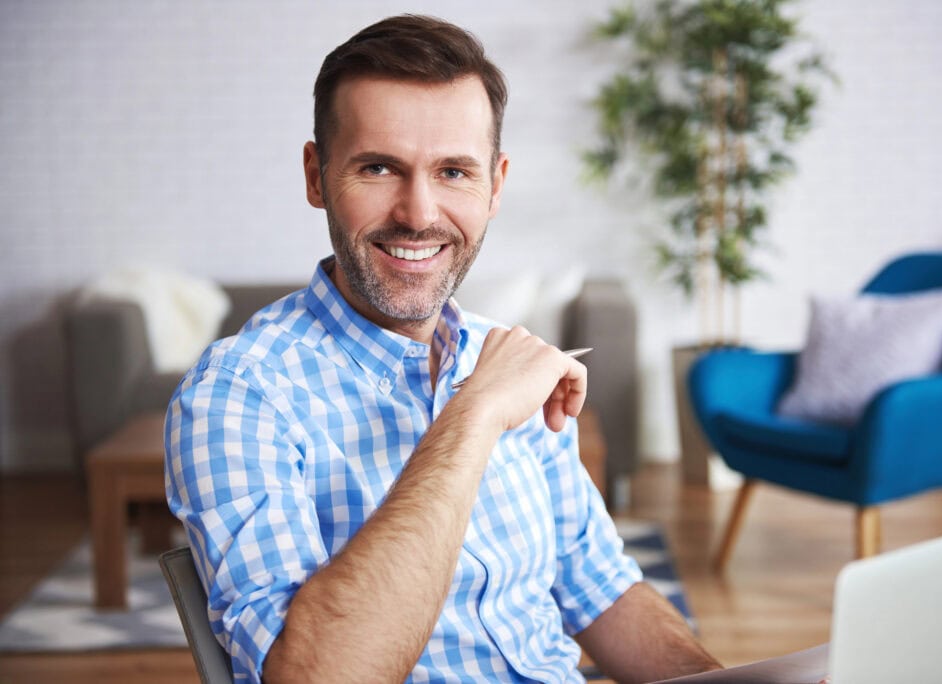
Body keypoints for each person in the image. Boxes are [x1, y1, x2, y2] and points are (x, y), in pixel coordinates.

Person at [165, 14, 723, 684]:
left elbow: (604, 590)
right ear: (317, 176)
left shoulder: (503, 357)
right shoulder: (237, 396)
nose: (419, 213)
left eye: (454, 171)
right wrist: (474, 414)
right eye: (378, 168)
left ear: (495, 185)